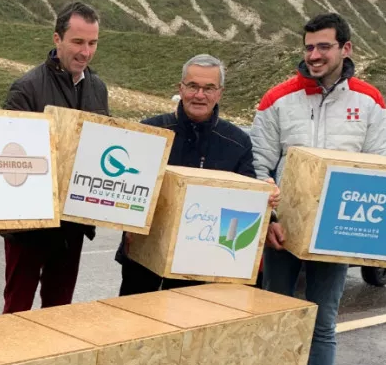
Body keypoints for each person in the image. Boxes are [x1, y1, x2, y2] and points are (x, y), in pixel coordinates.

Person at [251, 12, 386, 365]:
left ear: (345, 49)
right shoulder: (277, 100)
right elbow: (258, 166)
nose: (313, 55)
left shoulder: (370, 102)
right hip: (284, 233)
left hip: (335, 236)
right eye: (308, 47)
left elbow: (382, 169)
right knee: (277, 319)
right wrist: (267, 219)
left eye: (323, 47)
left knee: (324, 324)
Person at [117, 54, 278, 295]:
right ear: (180, 88)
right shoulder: (150, 131)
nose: (199, 95)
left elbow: (246, 200)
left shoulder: (237, 142)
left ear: (219, 93)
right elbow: (125, 188)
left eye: (209, 88)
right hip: (144, 260)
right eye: (192, 86)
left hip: (203, 264)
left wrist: (266, 199)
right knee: (135, 326)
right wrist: (127, 226)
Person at [1, 1, 109, 313]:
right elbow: (10, 158)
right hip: (28, 224)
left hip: (72, 223)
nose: (85, 52)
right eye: (77, 42)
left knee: (60, 310)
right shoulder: (26, 88)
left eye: (92, 43)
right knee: (17, 308)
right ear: (57, 39)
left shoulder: (98, 88)